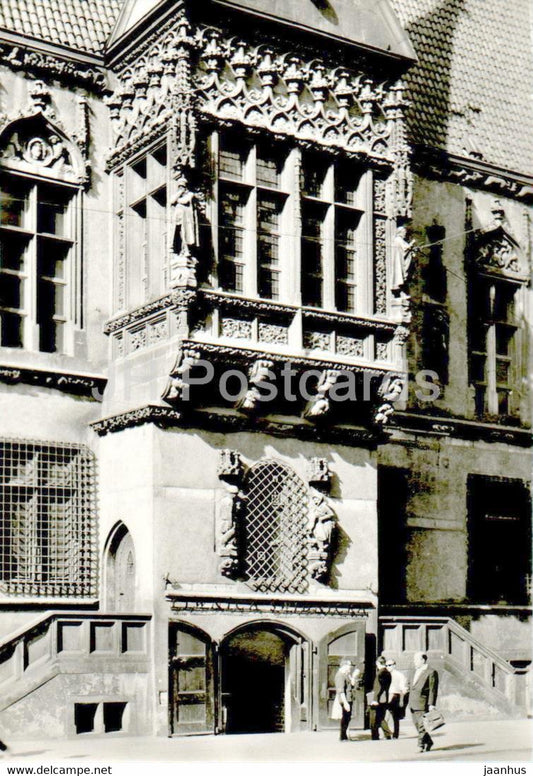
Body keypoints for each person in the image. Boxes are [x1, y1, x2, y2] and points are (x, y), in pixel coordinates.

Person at [409, 651, 439, 753]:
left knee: (422, 725)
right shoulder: (414, 671)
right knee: (417, 725)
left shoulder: (431, 672)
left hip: (423, 703)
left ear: (422, 660)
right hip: (413, 702)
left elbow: (432, 689)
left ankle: (420, 745)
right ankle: (429, 741)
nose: (414, 662)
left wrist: (431, 704)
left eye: (416, 660)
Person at [333, 658, 360, 741]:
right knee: (345, 718)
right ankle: (343, 736)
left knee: (347, 717)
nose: (350, 668)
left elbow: (352, 684)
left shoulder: (346, 674)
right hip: (345, 699)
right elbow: (340, 691)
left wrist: (354, 676)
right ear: (344, 666)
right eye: (349, 666)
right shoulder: (340, 675)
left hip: (349, 698)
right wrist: (345, 703)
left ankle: (345, 736)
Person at [369, 656, 392, 740]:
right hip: (384, 698)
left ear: (378, 663)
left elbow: (378, 687)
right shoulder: (387, 672)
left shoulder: (380, 673)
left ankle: (375, 736)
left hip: (378, 699)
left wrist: (375, 699)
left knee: (373, 718)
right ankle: (388, 733)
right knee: (381, 717)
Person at [385, 658, 409, 738]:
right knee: (385, 716)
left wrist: (402, 696)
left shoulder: (399, 675)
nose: (388, 667)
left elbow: (402, 687)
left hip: (395, 696)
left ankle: (395, 734)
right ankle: (387, 734)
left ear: (394, 665)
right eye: (387, 665)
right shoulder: (385, 674)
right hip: (386, 695)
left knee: (395, 717)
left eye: (390, 665)